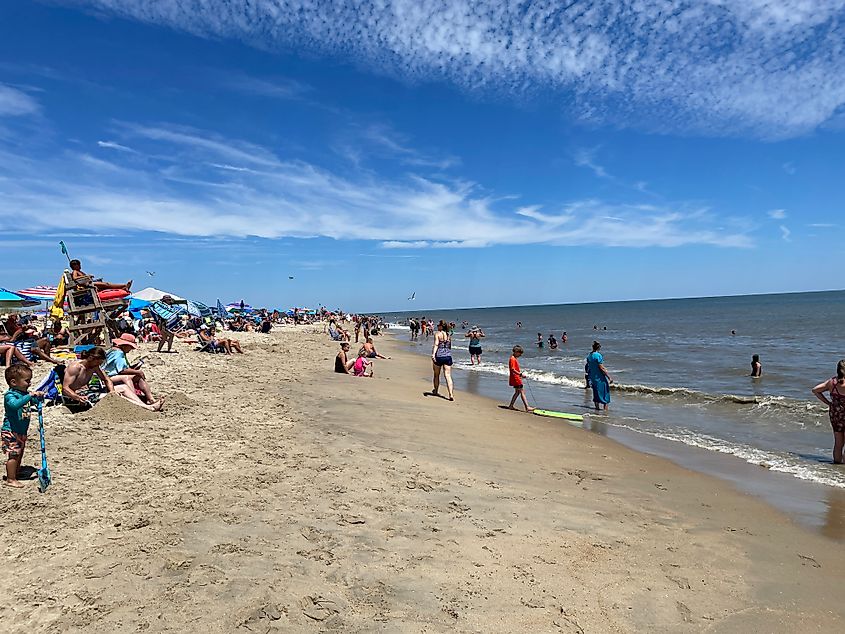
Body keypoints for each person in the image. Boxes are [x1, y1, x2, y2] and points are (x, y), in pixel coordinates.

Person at [63, 347, 163, 411]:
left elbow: (107, 379)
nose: (99, 365)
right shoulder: (75, 367)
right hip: (76, 396)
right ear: (91, 358)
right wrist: (77, 397)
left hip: (89, 393)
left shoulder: (94, 366)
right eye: (98, 363)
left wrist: (111, 392)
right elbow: (65, 388)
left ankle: (143, 406)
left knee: (123, 387)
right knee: (117, 391)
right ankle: (148, 408)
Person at [3, 365, 45, 488]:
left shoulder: (23, 393)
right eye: (27, 380)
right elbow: (15, 405)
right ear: (14, 382)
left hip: (21, 430)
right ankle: (10, 479)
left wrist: (37, 398)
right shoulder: (10, 395)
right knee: (13, 455)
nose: (30, 383)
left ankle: (16, 472)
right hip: (11, 430)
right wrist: (29, 396)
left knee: (20, 453)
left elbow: (33, 402)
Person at [103, 333, 156, 403]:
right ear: (125, 346)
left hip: (110, 375)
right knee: (129, 377)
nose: (131, 349)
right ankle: (135, 398)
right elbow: (122, 370)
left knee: (137, 377)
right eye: (130, 347)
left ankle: (150, 399)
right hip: (107, 376)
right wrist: (138, 371)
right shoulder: (118, 353)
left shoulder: (114, 350)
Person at [812, 360, 845, 464]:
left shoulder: (832, 382)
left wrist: (828, 403)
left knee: (838, 443)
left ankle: (837, 465)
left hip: (835, 414)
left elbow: (815, 390)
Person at [431, 320, 454, 401]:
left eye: (438, 325)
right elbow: (449, 346)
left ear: (441, 326)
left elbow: (436, 344)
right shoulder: (448, 335)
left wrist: (433, 354)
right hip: (447, 356)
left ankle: (436, 391)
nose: (437, 326)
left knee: (436, 374)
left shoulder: (438, 334)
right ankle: (450, 394)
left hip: (439, 356)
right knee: (448, 375)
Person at [586, 341, 612, 411]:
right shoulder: (598, 355)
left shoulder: (589, 356)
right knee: (605, 393)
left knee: (596, 392)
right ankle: (605, 411)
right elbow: (601, 367)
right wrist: (609, 377)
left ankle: (597, 408)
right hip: (599, 377)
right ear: (599, 348)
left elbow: (588, 366)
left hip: (592, 376)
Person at [507, 345, 533, 412]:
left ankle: (511, 405)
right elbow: (512, 369)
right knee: (522, 392)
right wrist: (520, 374)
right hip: (516, 378)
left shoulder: (513, 358)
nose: (520, 355)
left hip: (516, 377)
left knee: (517, 392)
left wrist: (519, 375)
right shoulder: (512, 359)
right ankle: (527, 407)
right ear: (516, 352)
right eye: (520, 353)